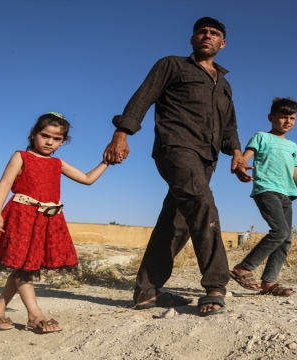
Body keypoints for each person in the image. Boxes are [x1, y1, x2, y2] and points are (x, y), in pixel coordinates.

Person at [102, 17, 251, 316]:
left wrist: (236, 154)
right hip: (176, 147)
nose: (207, 36)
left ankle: (146, 291)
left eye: (214, 33)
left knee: (178, 221)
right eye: (201, 32)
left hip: (207, 157)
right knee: (201, 202)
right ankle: (215, 285)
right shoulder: (172, 65)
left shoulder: (224, 84)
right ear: (193, 39)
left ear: (223, 43)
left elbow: (229, 126)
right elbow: (143, 97)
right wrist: (121, 134)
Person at [0, 112, 109, 333]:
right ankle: (35, 316)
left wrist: (106, 162)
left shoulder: (57, 163)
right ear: (34, 134)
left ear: (63, 141)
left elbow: (87, 179)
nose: (49, 142)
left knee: (24, 265)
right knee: (24, 267)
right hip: (20, 218)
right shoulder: (21, 157)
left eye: (57, 139)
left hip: (47, 221)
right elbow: (5, 184)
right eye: (45, 135)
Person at [230, 97, 297, 296]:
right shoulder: (261, 137)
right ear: (271, 117)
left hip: (287, 194)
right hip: (266, 189)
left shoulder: (293, 146)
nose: (288, 121)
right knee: (279, 232)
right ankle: (243, 268)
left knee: (286, 239)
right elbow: (244, 158)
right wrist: (240, 168)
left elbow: (295, 174)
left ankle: (268, 283)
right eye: (283, 117)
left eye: (292, 118)